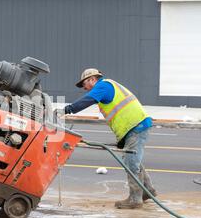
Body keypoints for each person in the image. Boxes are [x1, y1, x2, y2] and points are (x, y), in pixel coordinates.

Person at [56, 68, 157, 209]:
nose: (84, 88)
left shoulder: (103, 86)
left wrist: (66, 110)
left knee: (131, 162)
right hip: (134, 126)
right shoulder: (108, 86)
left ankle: (135, 199)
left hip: (136, 125)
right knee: (133, 159)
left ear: (92, 79)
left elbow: (88, 100)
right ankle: (148, 191)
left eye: (84, 84)